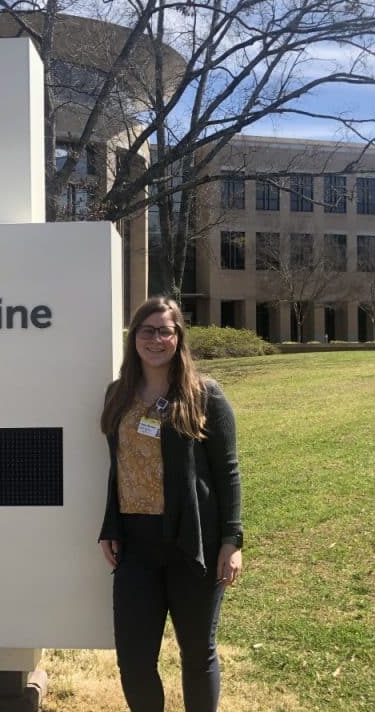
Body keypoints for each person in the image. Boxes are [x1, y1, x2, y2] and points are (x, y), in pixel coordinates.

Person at [98, 297, 243, 712]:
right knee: (134, 661)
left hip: (193, 542)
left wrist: (232, 541)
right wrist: (110, 525)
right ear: (134, 338)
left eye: (167, 330)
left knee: (197, 655)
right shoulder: (119, 395)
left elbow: (228, 471)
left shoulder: (205, 395)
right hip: (136, 547)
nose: (157, 339)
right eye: (148, 330)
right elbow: (119, 468)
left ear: (179, 338)